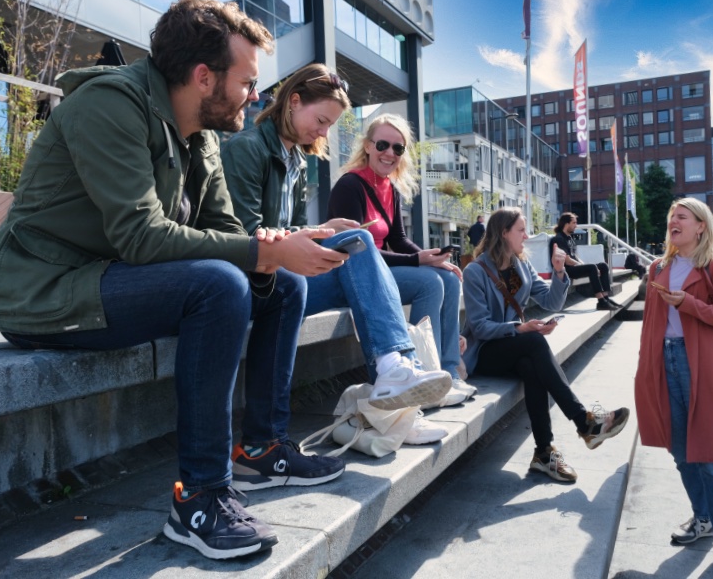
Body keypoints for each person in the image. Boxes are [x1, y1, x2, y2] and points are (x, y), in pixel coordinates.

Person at [0, 0, 348, 560]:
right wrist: (259, 252)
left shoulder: (199, 132)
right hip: (47, 293)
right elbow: (143, 237)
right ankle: (200, 498)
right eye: (248, 81)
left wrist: (282, 250)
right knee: (220, 284)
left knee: (286, 286)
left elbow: (226, 230)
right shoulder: (110, 104)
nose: (256, 96)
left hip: (114, 279)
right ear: (204, 77)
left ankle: (262, 449)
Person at [221, 63, 453, 419]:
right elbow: (246, 235)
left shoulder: (295, 160)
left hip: (287, 276)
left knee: (356, 245)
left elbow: (295, 228)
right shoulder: (247, 149)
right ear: (294, 102)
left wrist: (322, 228)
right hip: (259, 283)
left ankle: (400, 404)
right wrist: (313, 235)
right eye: (323, 121)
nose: (324, 133)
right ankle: (397, 381)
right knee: (359, 240)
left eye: (329, 125)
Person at [634, 198, 713, 578]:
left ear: (701, 226)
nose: (673, 221)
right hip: (665, 361)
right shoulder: (660, 266)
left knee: (711, 455)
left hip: (702, 365)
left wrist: (687, 303)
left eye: (681, 217)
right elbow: (650, 325)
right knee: (680, 450)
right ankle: (703, 519)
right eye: (672, 216)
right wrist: (645, 368)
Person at [461, 208, 630, 482]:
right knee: (533, 342)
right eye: (520, 230)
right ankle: (583, 422)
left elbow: (551, 303)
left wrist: (560, 272)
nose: (526, 236)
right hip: (485, 351)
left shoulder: (521, 265)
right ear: (503, 233)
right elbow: (480, 327)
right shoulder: (475, 271)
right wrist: (519, 327)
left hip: (516, 347)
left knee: (532, 366)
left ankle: (544, 452)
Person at [327, 114, 469, 396]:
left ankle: (449, 372)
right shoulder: (349, 185)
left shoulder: (390, 188)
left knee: (449, 278)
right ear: (367, 146)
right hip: (354, 276)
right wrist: (419, 261)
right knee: (430, 283)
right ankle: (425, 371)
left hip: (384, 270)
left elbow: (398, 239)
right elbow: (357, 252)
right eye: (382, 145)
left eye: (398, 148)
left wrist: (433, 258)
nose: (389, 153)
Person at [549, 212, 619, 310]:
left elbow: (575, 256)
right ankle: (601, 301)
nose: (576, 226)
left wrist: (584, 265)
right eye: (574, 223)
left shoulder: (569, 238)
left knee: (603, 266)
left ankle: (606, 298)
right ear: (566, 224)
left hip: (572, 267)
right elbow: (567, 260)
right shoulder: (559, 239)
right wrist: (588, 267)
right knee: (592, 268)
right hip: (565, 270)